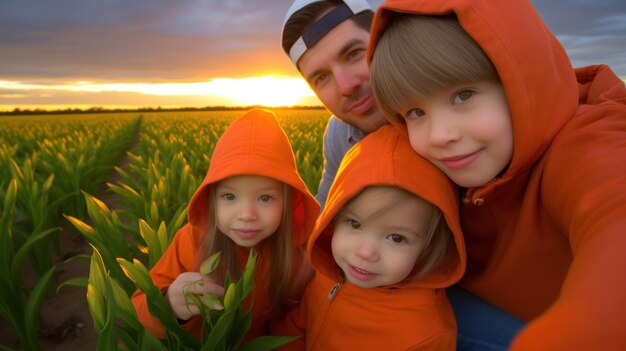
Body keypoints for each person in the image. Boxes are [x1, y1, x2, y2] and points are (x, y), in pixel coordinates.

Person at [368, 0, 626, 349]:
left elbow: (613, 210)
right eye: (415, 111)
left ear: (521, 78)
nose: (439, 135)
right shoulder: (435, 159)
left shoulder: (587, 141)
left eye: (464, 95)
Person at [131, 109, 320, 342]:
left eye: (265, 198)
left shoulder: (299, 252)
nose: (247, 215)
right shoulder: (192, 240)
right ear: (211, 199)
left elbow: (303, 319)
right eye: (229, 197)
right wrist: (169, 305)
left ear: (288, 203)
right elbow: (139, 304)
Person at [273, 125, 466, 350]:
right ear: (332, 219)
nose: (365, 252)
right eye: (354, 224)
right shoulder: (327, 275)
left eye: (396, 238)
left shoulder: (424, 335)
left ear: (429, 246)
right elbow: (295, 328)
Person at [281, 0, 388, 209]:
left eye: (354, 53)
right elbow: (328, 207)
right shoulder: (340, 134)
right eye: (321, 77)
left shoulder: (451, 94)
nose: (346, 86)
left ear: (384, 37)